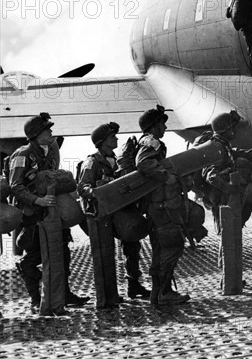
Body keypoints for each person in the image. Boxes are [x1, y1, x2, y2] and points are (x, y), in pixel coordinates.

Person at [9, 112, 89, 313]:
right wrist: (38, 200)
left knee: (62, 252)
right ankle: (36, 299)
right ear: (36, 134)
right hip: (34, 214)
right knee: (33, 257)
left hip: (53, 213)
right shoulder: (22, 155)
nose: (52, 132)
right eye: (47, 130)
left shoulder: (49, 153)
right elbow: (16, 186)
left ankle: (64, 294)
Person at [77, 122, 151, 302]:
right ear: (102, 142)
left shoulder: (118, 161)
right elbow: (82, 186)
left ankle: (134, 285)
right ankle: (107, 295)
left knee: (132, 246)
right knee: (104, 255)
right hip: (102, 214)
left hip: (120, 211)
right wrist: (94, 191)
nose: (116, 139)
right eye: (112, 137)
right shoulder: (91, 162)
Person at [135, 105, 190, 306]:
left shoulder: (148, 142)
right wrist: (166, 176)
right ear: (153, 126)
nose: (165, 128)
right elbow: (143, 163)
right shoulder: (152, 142)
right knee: (173, 245)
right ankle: (165, 292)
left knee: (160, 249)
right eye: (162, 124)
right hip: (162, 208)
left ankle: (157, 293)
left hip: (155, 207)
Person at [199, 110, 252, 240]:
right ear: (226, 130)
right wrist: (229, 188)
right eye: (232, 128)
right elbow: (211, 176)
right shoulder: (216, 148)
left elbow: (248, 154)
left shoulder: (224, 146)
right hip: (224, 196)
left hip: (229, 193)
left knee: (232, 235)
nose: (234, 130)